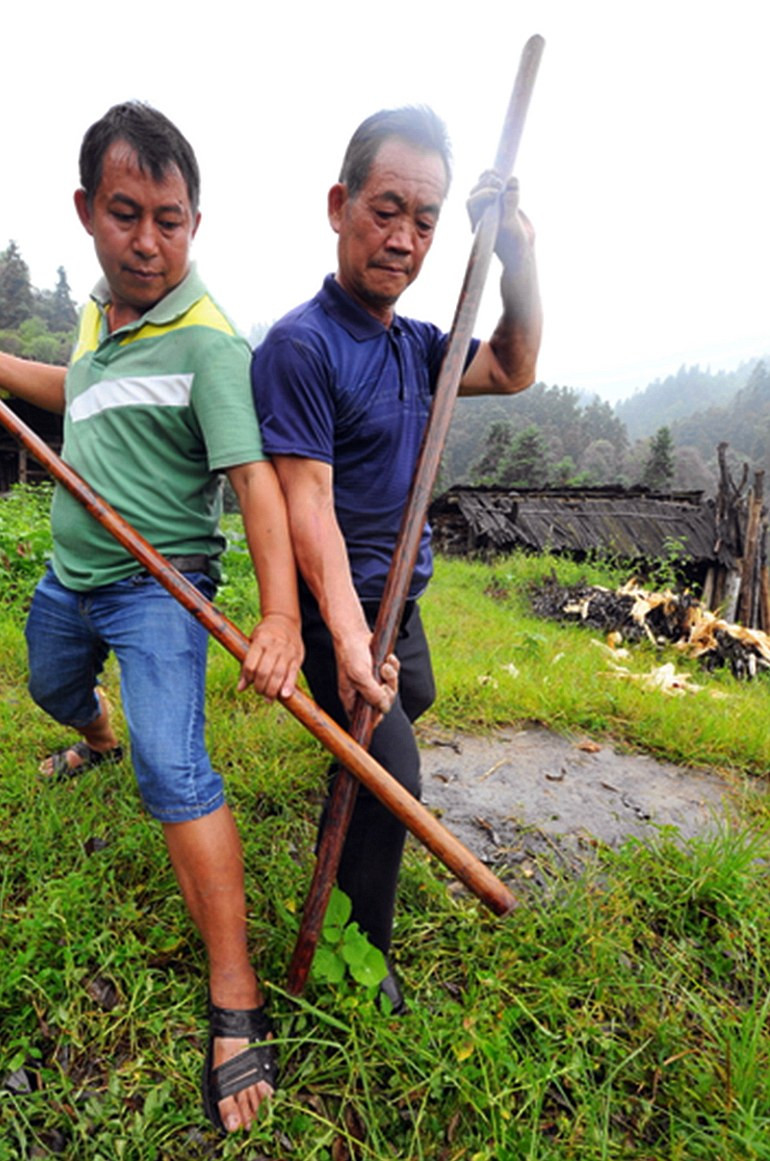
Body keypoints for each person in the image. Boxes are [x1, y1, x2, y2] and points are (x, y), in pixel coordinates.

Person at [0, 102, 303, 1134]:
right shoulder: (98, 315)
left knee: (172, 773)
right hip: (68, 575)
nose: (147, 242)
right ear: (86, 210)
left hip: (159, 588)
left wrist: (279, 617)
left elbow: (254, 483)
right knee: (49, 687)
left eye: (169, 220)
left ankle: (234, 996)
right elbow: (75, 391)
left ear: (195, 222)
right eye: (126, 214)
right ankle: (92, 734)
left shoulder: (211, 343)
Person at [251, 105, 542, 1011]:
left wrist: (517, 260)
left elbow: (515, 364)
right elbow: (310, 509)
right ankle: (359, 957)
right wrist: (342, 636)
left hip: (400, 608)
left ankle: (351, 747)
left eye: (425, 219)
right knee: (391, 779)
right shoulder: (301, 345)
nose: (405, 238)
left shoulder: (421, 347)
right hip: (342, 601)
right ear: (339, 206)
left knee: (407, 703)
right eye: (386, 209)